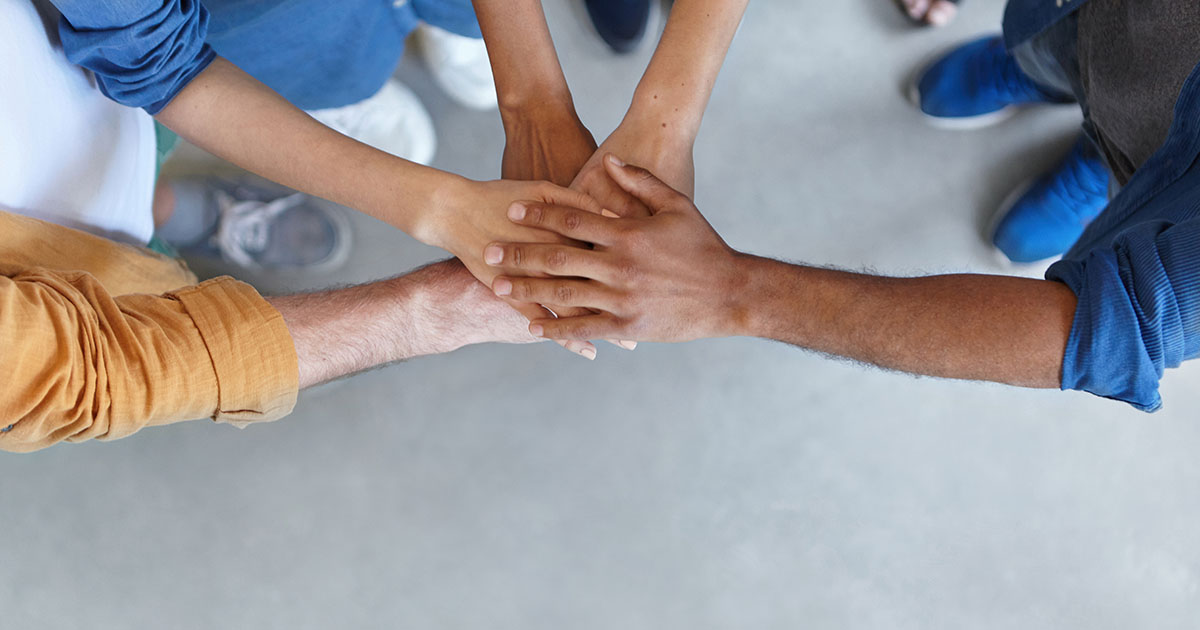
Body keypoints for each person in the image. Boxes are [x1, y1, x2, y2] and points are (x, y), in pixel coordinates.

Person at [488, 0, 1200, 413]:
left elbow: (1121, 329)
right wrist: (533, 106)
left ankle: (1107, 166)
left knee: (1140, 156)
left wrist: (733, 291)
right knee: (1054, 48)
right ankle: (1036, 75)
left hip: (1168, 162)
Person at [0, 0, 537, 454]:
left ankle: (180, 202)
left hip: (71, 65)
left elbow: (150, 45)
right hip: (64, 254)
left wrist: (534, 104)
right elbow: (83, 370)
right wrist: (426, 297)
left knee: (290, 29)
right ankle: (190, 213)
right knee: (129, 258)